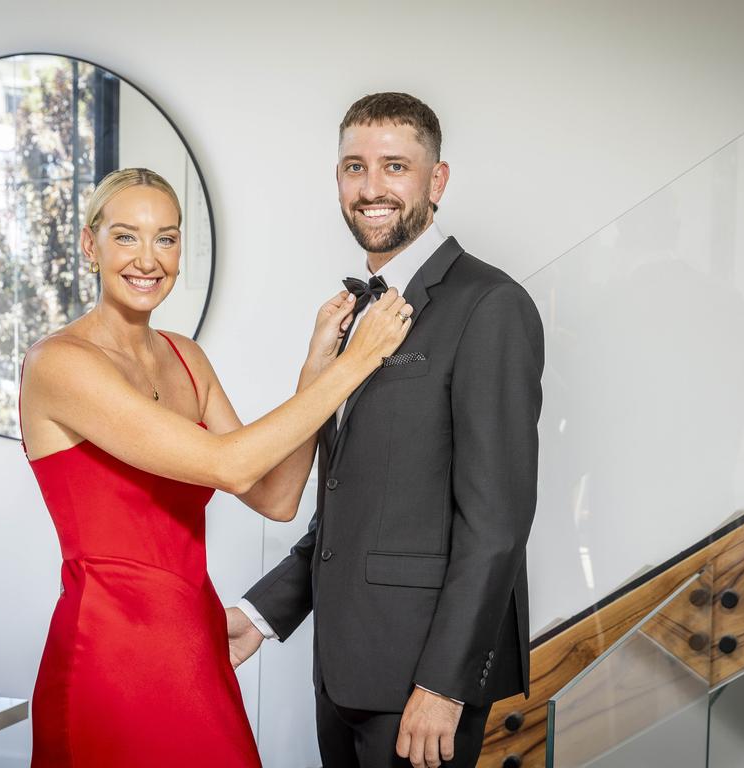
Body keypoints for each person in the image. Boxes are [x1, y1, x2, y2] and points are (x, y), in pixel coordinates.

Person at [17, 167, 413, 766]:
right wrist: (354, 364)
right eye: (126, 236)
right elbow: (228, 466)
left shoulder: (185, 356)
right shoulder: (60, 364)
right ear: (88, 244)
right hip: (108, 651)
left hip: (194, 641)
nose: (148, 259)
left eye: (167, 238)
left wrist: (315, 366)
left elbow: (274, 495)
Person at [227, 93, 545, 768]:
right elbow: (354, 505)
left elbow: (496, 526)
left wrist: (444, 685)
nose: (370, 188)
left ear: (437, 181)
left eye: (394, 166)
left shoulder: (491, 306)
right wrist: (260, 615)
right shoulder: (354, 319)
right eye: (353, 167)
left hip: (420, 683)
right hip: (341, 672)